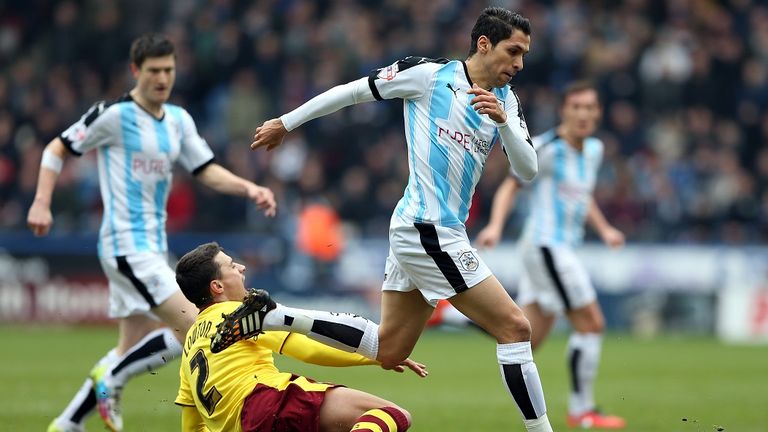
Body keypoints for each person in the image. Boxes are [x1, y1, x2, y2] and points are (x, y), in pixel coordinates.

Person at [229, 7, 554, 431]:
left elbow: (528, 169)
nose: (519, 64)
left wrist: (504, 122)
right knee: (515, 327)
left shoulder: (507, 102)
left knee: (390, 349)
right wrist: (286, 123)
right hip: (427, 229)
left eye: (525, 54)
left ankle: (273, 315)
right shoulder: (428, 76)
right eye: (514, 51)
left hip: (429, 230)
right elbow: (352, 92)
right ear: (484, 44)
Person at [27, 33, 277, 432]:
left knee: (128, 349)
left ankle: (68, 422)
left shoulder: (178, 120)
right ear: (135, 71)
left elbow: (205, 169)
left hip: (150, 248)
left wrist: (249, 187)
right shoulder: (113, 115)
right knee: (199, 324)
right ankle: (113, 380)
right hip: (126, 247)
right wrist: (42, 201)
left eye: (169, 70)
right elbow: (56, 148)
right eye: (154, 71)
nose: (162, 78)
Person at [474, 80, 627, 429]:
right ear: (564, 111)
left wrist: (605, 230)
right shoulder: (545, 146)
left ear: (598, 112)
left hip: (556, 249)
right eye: (577, 107)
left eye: (590, 107)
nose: (584, 114)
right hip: (546, 246)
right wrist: (496, 226)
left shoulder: (594, 150)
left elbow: (582, 196)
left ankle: (446, 314)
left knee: (526, 333)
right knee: (592, 324)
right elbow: (511, 185)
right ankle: (582, 411)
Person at [174, 242, 424, 432]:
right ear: (217, 287)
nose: (241, 267)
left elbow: (192, 426)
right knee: (392, 414)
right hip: (267, 401)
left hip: (244, 424)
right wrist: (378, 356)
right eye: (231, 265)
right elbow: (307, 348)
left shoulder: (190, 344)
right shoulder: (234, 315)